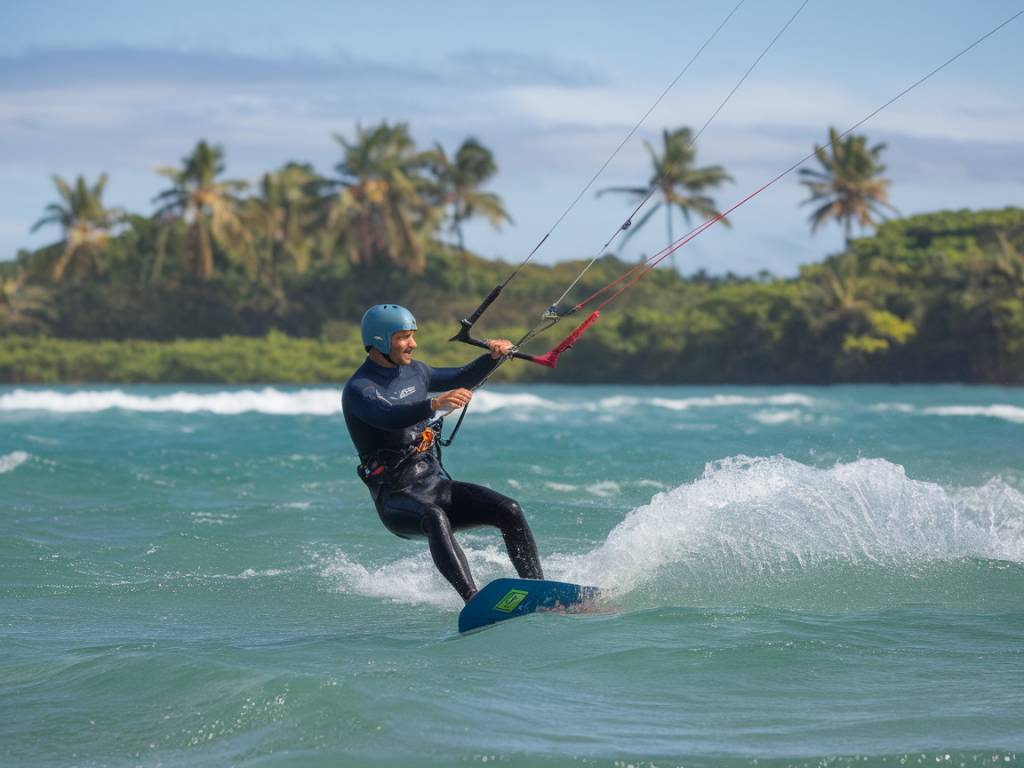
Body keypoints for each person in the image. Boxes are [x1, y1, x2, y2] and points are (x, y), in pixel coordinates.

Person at [342, 304, 544, 602]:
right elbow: (388, 415)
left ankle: (540, 591)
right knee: (435, 517)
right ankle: (473, 599)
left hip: (435, 484)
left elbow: (461, 376)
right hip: (397, 498)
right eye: (403, 337)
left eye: (412, 336)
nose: (412, 344)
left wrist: (492, 358)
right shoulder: (360, 389)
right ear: (380, 341)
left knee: (509, 510)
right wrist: (434, 405)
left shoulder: (416, 371)